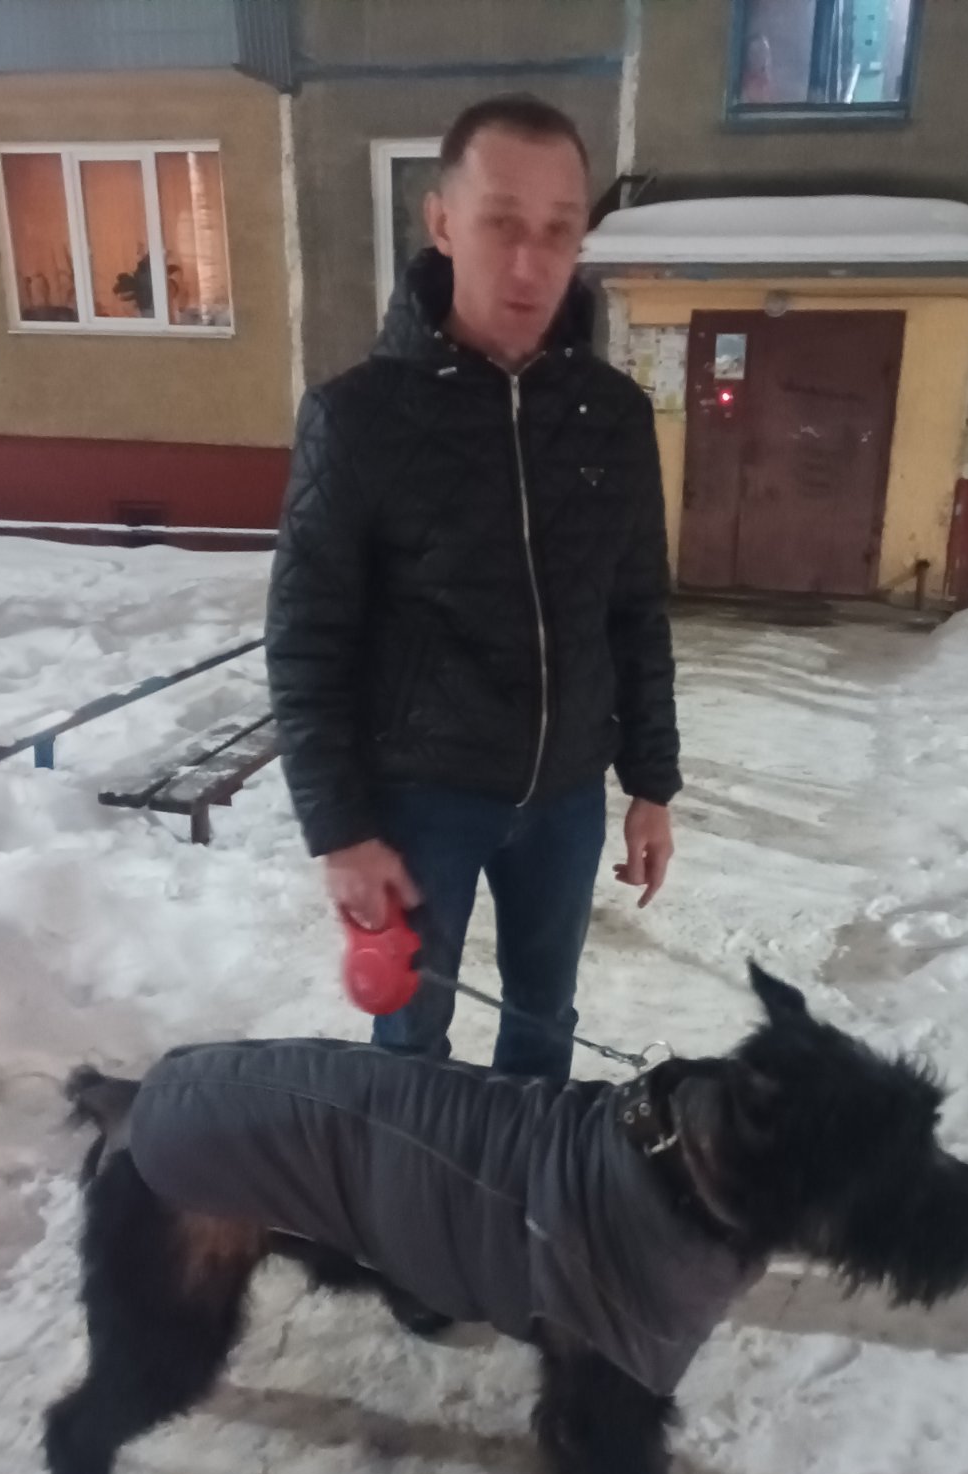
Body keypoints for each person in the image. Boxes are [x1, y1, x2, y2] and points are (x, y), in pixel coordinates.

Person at [266, 94, 680, 1080]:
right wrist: (341, 829)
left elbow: (635, 610)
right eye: (501, 224)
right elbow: (307, 637)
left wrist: (651, 785)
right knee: (411, 1038)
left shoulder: (612, 417)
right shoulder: (356, 418)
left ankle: (517, 1183)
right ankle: (413, 1183)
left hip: (567, 794)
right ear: (442, 221)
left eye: (558, 230)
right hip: (421, 799)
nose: (530, 264)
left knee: (544, 1024)